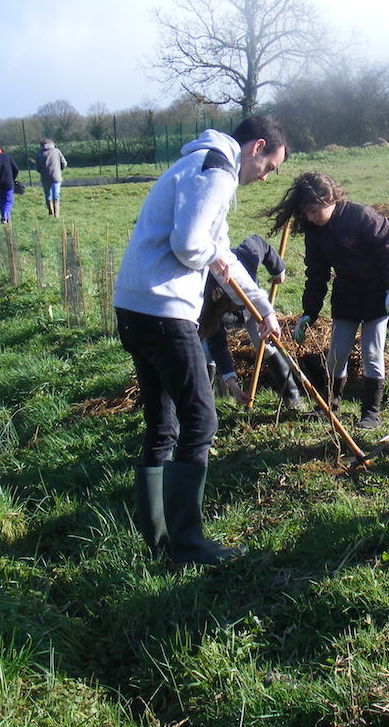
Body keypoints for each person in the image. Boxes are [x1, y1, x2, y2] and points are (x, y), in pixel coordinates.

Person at [114, 116, 288, 567]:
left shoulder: (197, 164)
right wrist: (211, 254)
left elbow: (221, 252)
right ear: (258, 147)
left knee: (163, 424)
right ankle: (188, 545)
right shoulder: (218, 170)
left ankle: (158, 540)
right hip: (164, 311)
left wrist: (262, 308)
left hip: (134, 307)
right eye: (270, 167)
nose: (265, 177)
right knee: (200, 421)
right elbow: (191, 245)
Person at [272, 172, 389, 430]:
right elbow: (316, 274)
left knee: (373, 352)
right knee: (336, 354)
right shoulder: (315, 232)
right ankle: (330, 407)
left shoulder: (362, 217)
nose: (310, 218)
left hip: (378, 295)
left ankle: (370, 413)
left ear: (329, 198)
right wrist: (309, 312)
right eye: (306, 213)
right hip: (347, 296)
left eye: (313, 211)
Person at [200, 233, 301, 411]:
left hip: (254, 304)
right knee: (207, 350)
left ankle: (291, 395)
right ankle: (206, 404)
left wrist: (279, 270)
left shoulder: (246, 255)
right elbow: (218, 346)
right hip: (221, 312)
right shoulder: (211, 306)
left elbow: (260, 243)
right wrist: (232, 383)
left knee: (265, 342)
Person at [0, 143, 20, 223]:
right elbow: (16, 169)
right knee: (8, 201)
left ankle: (5, 218)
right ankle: (5, 216)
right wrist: (12, 178)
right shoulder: (8, 157)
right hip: (8, 183)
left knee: (1, 202)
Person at [35, 138, 68, 217]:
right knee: (56, 194)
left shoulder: (39, 153)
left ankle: (50, 212)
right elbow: (64, 163)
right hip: (56, 176)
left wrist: (42, 172)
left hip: (45, 177)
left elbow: (37, 167)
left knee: (48, 194)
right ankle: (57, 214)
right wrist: (59, 169)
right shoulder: (56, 151)